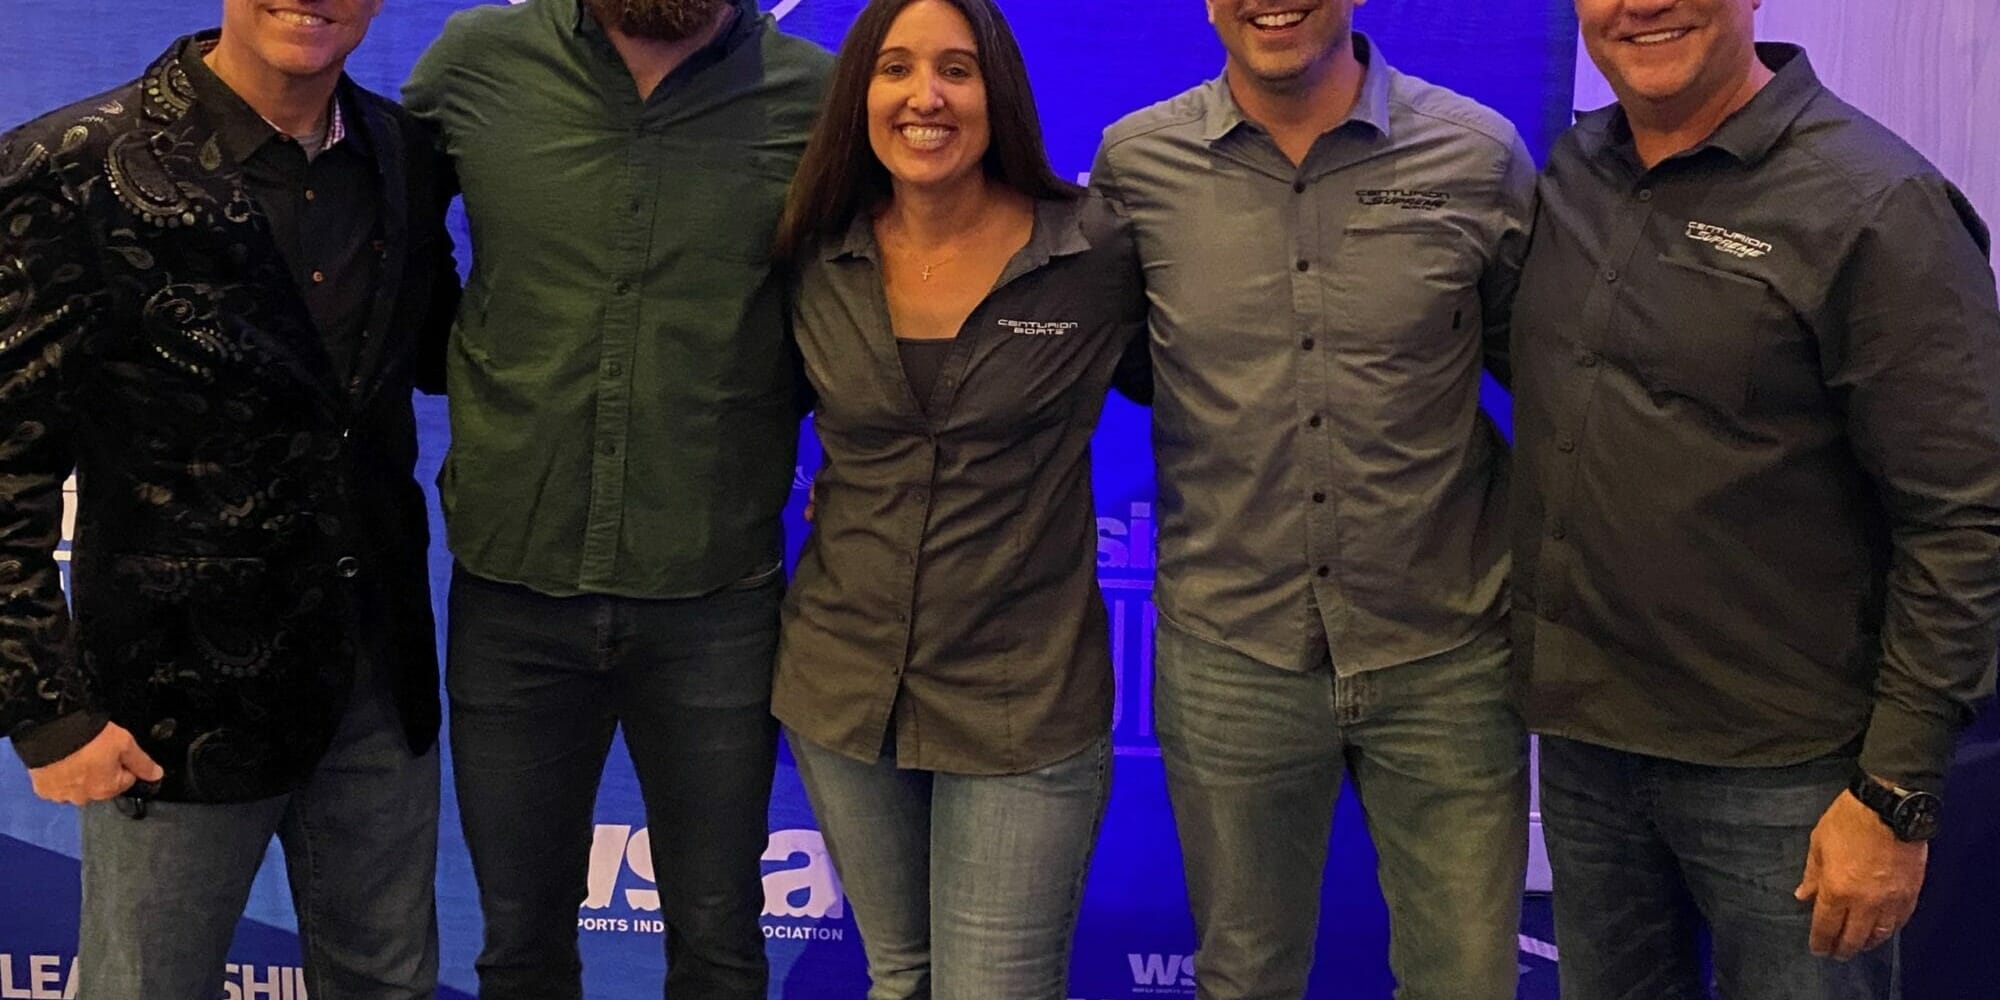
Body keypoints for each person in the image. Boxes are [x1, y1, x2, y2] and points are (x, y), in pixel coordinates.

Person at [1511, 0, 2000, 996]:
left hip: (1786, 781)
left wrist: (1893, 794)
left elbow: (1962, 515)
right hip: (1585, 754)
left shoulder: (1875, 201)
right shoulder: (1570, 171)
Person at [0, 1, 458, 997]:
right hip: (169, 702)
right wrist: (46, 711)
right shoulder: (70, 163)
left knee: (390, 981)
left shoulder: (406, 153)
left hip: (377, 675)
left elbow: (429, 358)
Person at [1089, 1, 1535, 996]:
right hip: (1229, 649)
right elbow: (1120, 359)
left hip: (1448, 652)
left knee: (1463, 977)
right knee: (1243, 974)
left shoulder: (1475, 154)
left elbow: (1543, 372)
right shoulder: (1137, 165)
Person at [401, 1, 830, 996]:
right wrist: (454, 355)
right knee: (518, 945)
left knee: (721, 943)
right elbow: (376, 217)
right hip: (512, 585)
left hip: (716, 593)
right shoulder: (477, 62)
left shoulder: (814, 93)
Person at [769, 0, 1145, 995]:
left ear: (997, 95)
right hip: (842, 687)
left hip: (1019, 696)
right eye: (894, 69)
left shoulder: (1093, 251)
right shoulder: (814, 254)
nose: (924, 96)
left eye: (955, 70)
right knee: (901, 976)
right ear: (861, 95)